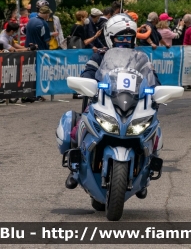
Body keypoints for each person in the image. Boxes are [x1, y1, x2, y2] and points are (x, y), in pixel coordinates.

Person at [66, 13, 161, 190]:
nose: (125, 41)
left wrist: (156, 92)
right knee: (74, 127)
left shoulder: (141, 59)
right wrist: (89, 85)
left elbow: (154, 80)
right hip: (102, 103)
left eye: (129, 37)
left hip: (131, 105)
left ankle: (147, 166)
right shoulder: (99, 56)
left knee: (154, 127)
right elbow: (86, 74)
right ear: (110, 38)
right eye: (121, 37)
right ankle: (74, 167)